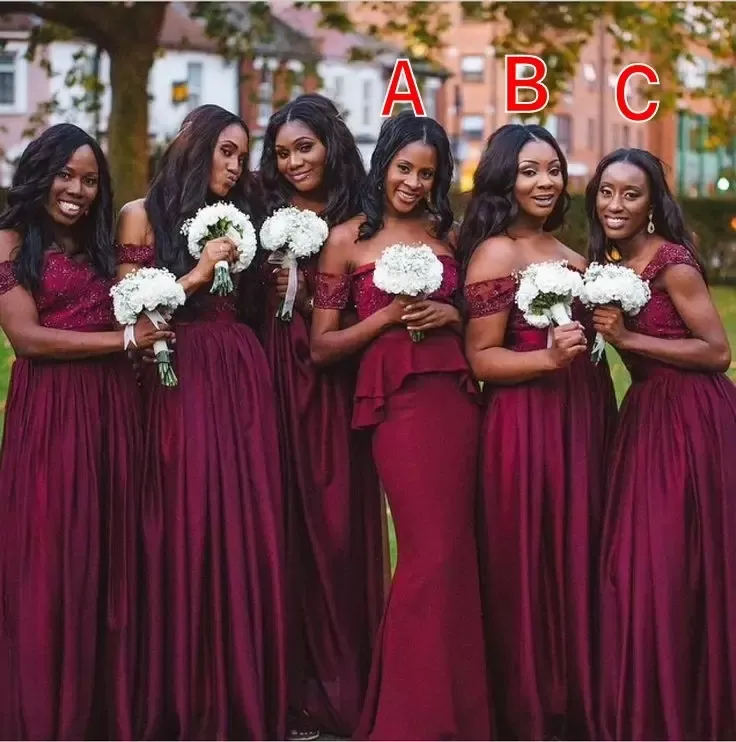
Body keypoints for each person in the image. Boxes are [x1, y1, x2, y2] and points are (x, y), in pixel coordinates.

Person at [310, 110, 491, 741]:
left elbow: (478, 328)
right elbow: (323, 348)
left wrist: (449, 316)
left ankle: (462, 717)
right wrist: (384, 321)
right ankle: (407, 721)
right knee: (426, 554)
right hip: (397, 407)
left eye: (427, 174)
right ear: (383, 162)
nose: (413, 183)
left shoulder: (452, 237)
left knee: (458, 553)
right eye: (404, 168)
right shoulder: (347, 241)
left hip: (459, 401)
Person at [115, 104, 286, 741]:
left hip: (240, 371)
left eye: (243, 156)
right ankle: (182, 692)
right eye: (226, 152)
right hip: (178, 373)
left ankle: (242, 690)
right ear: (196, 147)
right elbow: (130, 309)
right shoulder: (142, 214)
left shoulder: (248, 216)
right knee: (185, 514)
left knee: (244, 518)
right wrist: (197, 272)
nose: (236, 166)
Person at [0, 123, 171, 740]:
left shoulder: (104, 246)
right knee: (55, 555)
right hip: (51, 414)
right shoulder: (11, 241)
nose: (77, 189)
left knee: (111, 553)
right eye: (65, 175)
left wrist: (146, 341)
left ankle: (106, 712)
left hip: (115, 410)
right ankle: (50, 714)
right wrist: (122, 339)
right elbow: (26, 338)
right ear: (39, 174)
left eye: (90, 179)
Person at [460, 123, 617, 740]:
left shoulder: (573, 254)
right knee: (530, 558)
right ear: (504, 176)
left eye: (552, 168)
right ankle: (532, 706)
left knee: (580, 550)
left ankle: (580, 694)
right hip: (526, 423)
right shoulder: (496, 253)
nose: (546, 181)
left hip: (583, 415)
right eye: (529, 171)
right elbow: (480, 359)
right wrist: (547, 361)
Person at [589, 148, 736, 741]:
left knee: (679, 562)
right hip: (645, 418)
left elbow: (717, 353)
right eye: (606, 192)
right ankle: (652, 701)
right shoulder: (606, 262)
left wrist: (630, 340)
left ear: (652, 204)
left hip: (695, 420)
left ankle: (696, 705)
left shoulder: (672, 262)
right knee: (634, 564)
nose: (615, 204)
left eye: (630, 193)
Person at [257, 93, 385, 740]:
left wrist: (317, 300)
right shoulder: (259, 212)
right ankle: (283, 684)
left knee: (337, 524)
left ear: (331, 144)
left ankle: (344, 681)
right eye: (281, 153)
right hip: (271, 377)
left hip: (336, 380)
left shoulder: (362, 218)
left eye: (304, 147)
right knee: (277, 527)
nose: (293, 161)